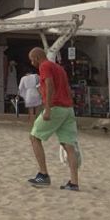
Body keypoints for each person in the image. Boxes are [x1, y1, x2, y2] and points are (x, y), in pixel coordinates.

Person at [25, 47, 81, 191]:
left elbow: (49, 84)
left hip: (56, 107)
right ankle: (74, 182)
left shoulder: (45, 66)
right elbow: (67, 88)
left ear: (37, 58)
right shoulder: (59, 68)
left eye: (32, 60)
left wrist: (48, 108)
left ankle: (43, 174)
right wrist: (70, 104)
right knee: (69, 145)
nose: (32, 63)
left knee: (34, 137)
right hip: (67, 109)